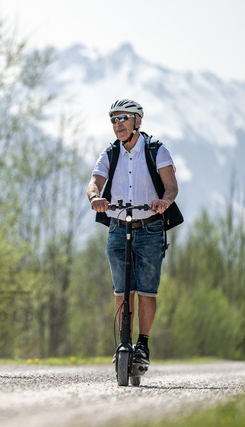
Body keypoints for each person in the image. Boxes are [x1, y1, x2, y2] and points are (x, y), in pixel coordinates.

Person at [87, 99, 180, 367]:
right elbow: (94, 183)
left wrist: (164, 201)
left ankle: (143, 345)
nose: (117, 124)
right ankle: (123, 342)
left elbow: (171, 186)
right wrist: (95, 198)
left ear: (137, 121)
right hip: (118, 228)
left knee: (147, 291)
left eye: (123, 119)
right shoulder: (110, 153)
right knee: (122, 289)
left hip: (150, 227)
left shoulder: (156, 150)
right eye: (113, 120)